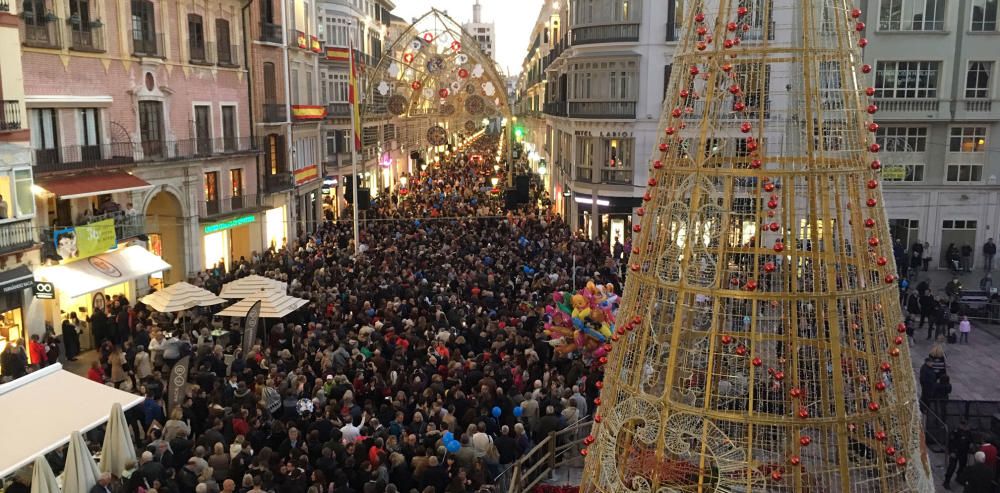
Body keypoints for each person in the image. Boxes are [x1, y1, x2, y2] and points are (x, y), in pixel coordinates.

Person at [943, 421, 973, 490]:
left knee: (962, 466)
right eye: (964, 425)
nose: (965, 427)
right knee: (952, 467)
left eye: (966, 425)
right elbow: (950, 443)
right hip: (955, 452)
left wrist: (971, 444)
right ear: (960, 425)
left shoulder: (968, 432)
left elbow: (970, 440)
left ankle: (959, 478)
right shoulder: (955, 432)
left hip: (964, 452)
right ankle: (946, 482)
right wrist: (952, 452)